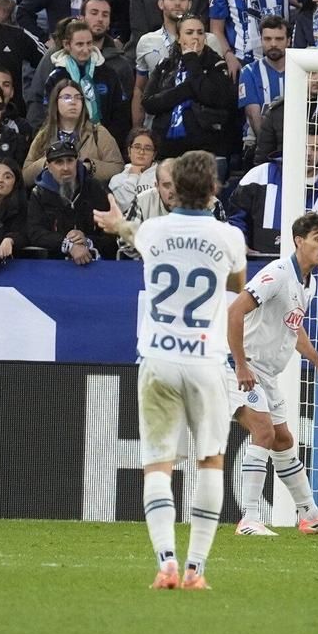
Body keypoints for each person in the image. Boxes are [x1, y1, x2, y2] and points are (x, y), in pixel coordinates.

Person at [116, 149, 245, 589]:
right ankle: (196, 570)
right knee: (211, 462)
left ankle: (165, 561)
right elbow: (235, 286)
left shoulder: (152, 230)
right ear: (213, 188)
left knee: (158, 465)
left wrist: (117, 225)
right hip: (205, 360)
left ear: (172, 191)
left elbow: (134, 237)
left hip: (157, 358)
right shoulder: (230, 238)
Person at [224, 210, 318, 536]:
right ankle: (248, 518)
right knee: (264, 433)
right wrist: (241, 365)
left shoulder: (308, 282)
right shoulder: (277, 273)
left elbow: (294, 325)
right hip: (241, 366)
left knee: (284, 439)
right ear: (298, 241)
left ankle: (311, 514)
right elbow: (235, 311)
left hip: (266, 373)